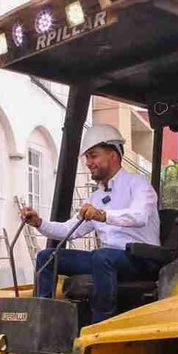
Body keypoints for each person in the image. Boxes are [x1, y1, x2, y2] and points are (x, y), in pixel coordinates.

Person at [21, 124, 161, 324]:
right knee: (47, 257)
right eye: (87, 157)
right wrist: (39, 223)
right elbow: (69, 229)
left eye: (93, 156)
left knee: (102, 256)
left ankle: (100, 325)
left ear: (113, 155)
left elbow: (139, 216)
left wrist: (102, 215)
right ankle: (43, 322)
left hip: (141, 260)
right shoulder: (96, 197)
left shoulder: (138, 184)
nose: (88, 162)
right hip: (107, 260)